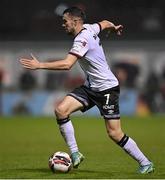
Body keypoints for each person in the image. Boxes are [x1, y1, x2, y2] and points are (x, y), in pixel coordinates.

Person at [20, 7, 154, 174]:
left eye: (65, 21)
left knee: (114, 133)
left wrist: (40, 65)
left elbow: (67, 64)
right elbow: (104, 23)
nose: (63, 25)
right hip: (91, 87)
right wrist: (114, 27)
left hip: (107, 89)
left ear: (75, 21)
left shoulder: (81, 40)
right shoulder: (90, 27)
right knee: (61, 110)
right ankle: (75, 153)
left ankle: (145, 162)